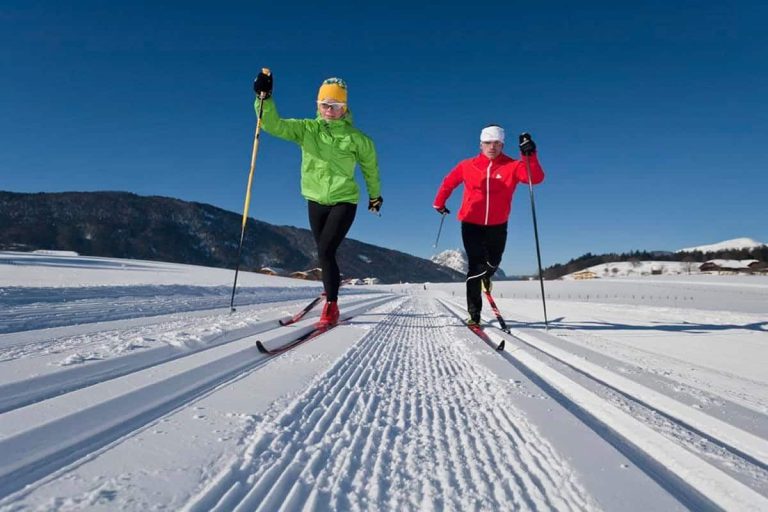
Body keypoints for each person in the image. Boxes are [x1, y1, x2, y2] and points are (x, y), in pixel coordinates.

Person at [253, 71, 383, 327]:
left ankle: (332, 306)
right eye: (324, 105)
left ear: (345, 107)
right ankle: (330, 286)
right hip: (315, 200)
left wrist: (375, 196)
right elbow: (272, 125)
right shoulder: (306, 129)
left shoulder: (359, 140)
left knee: (326, 249)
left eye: (336, 106)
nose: (329, 110)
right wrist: (264, 99)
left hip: (344, 200)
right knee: (324, 254)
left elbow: (371, 169)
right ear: (317, 105)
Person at [432, 125, 544, 325]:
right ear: (480, 144)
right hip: (470, 222)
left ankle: (487, 276)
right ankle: (474, 315)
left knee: (493, 261)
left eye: (497, 143)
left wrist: (529, 155)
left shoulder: (513, 165)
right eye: (488, 143)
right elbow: (449, 182)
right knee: (475, 267)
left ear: (502, 145)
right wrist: (439, 203)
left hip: (498, 224)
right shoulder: (467, 165)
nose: (492, 147)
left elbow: (534, 178)